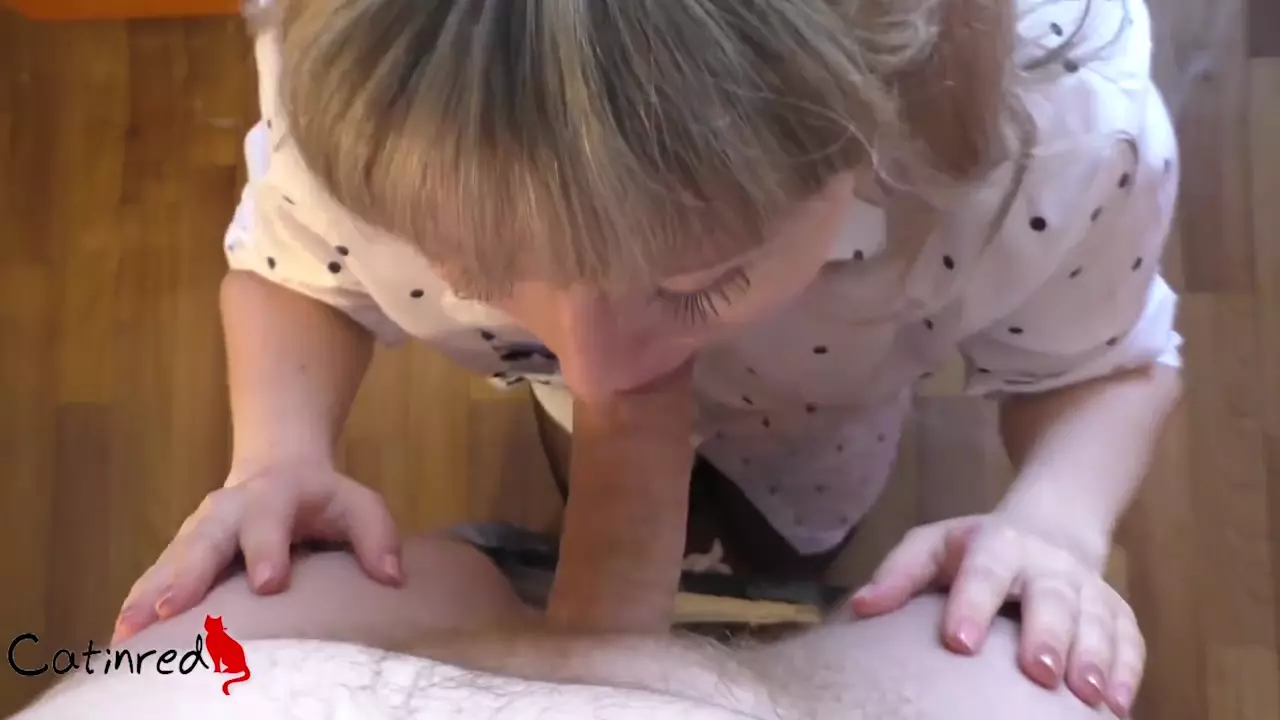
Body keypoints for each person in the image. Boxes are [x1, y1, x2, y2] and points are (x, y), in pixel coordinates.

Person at [111, 0, 1182, 717]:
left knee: (798, 529)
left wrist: (1053, 523)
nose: (592, 366)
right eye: (480, 268)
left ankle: (785, 547)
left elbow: (1105, 364)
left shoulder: (1062, 145)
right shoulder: (368, 85)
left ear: (873, 128)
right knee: (570, 434)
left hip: (818, 418)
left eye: (698, 282)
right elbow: (295, 267)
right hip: (573, 418)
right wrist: (278, 453)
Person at [17, 533, 1123, 719]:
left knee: (436, 565)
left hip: (323, 629)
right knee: (1016, 648)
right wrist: (1056, 526)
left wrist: (278, 448)